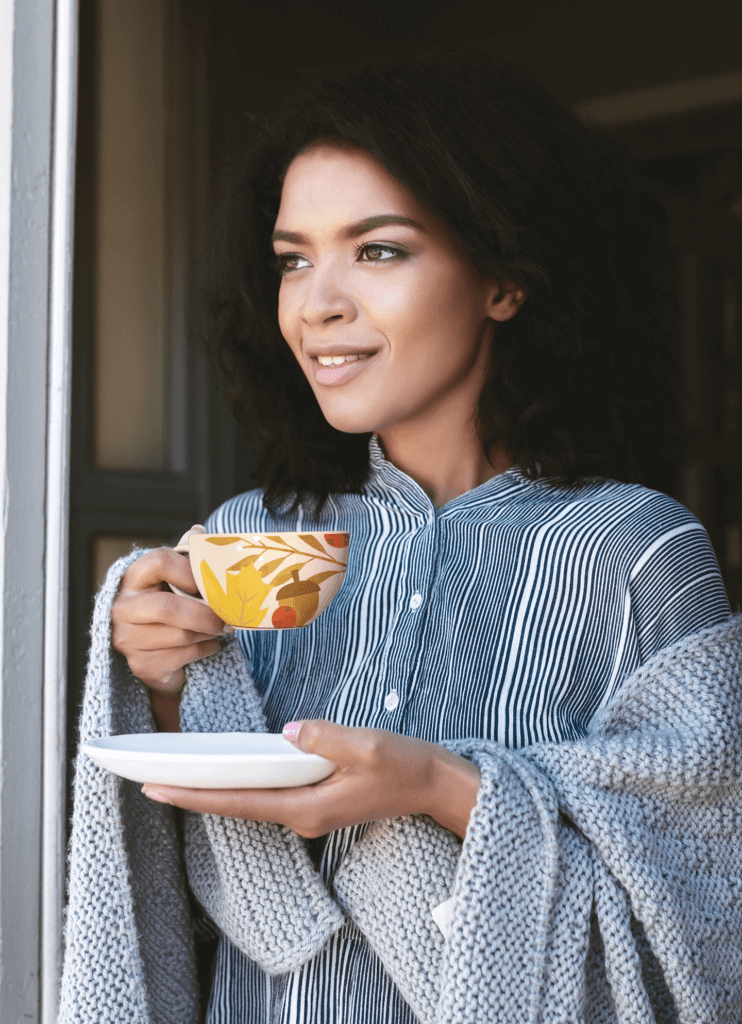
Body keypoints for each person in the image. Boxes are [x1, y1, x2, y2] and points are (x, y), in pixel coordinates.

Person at [62, 47, 739, 1024]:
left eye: (376, 249)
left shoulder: (635, 549)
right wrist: (164, 683)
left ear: (504, 277)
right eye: (294, 258)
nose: (316, 302)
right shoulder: (243, 539)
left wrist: (434, 783)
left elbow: (706, 884)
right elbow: (184, 881)